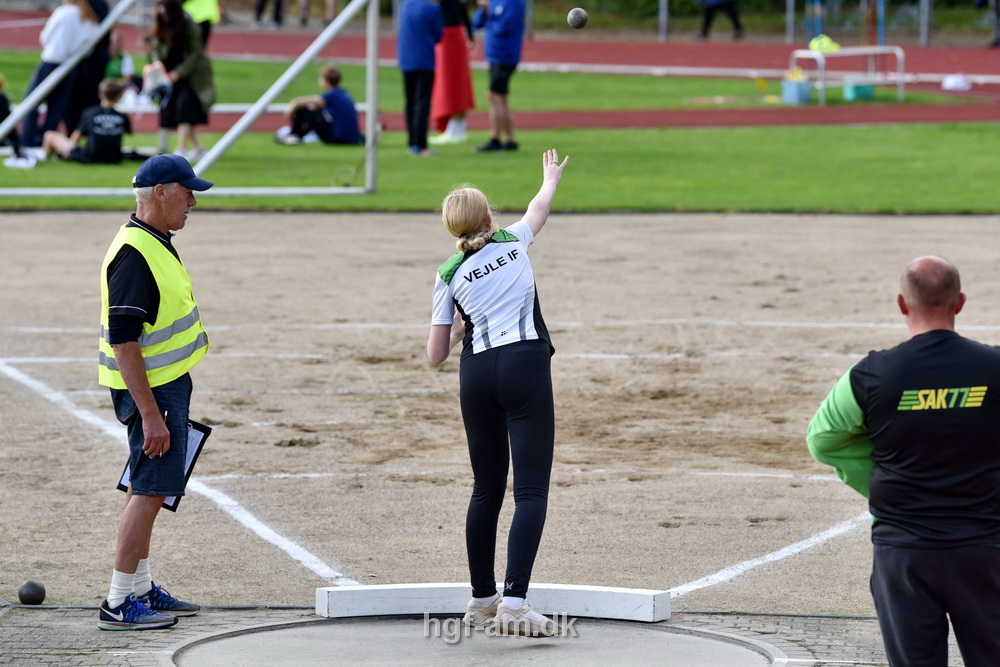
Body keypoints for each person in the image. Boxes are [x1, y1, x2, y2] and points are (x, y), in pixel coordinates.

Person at [807, 255, 1000, 666]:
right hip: (986, 548)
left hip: (904, 553)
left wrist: (876, 472)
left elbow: (821, 441)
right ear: (960, 302)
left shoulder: (871, 374)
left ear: (901, 304)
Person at [427, 148, 569, 637]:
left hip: (476, 375)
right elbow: (540, 208)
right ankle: (515, 601)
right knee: (530, 490)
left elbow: (435, 354)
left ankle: (481, 599)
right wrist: (550, 177)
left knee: (485, 490)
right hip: (525, 366)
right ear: (489, 218)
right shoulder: (513, 240)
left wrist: (471, 323)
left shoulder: (447, 273)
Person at [97, 154, 213, 631]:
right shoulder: (134, 255)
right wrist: (150, 415)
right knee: (149, 490)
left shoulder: (152, 240)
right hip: (153, 392)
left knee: (149, 487)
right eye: (186, 192)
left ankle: (140, 586)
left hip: (165, 386)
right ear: (161, 191)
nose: (192, 201)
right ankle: (119, 602)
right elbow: (123, 341)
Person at [20, 0, 99, 147]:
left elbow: (45, 37)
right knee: (57, 106)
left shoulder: (63, 12)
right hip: (71, 66)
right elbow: (89, 45)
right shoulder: (89, 16)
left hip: (52, 61)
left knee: (31, 102)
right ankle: (45, 141)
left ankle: (28, 140)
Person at [149, 0, 216, 162]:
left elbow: (196, 53)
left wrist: (178, 73)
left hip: (190, 75)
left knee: (185, 109)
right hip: (168, 74)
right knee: (181, 111)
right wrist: (158, 66)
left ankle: (181, 148)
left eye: (166, 14)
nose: (164, 18)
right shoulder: (161, 25)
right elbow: (157, 49)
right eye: (161, 14)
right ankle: (198, 148)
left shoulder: (189, 25)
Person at [471, 0, 523, 152]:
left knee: (494, 95)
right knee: (501, 97)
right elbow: (476, 23)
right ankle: (510, 139)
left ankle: (495, 138)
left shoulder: (514, 3)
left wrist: (490, 17)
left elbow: (504, 27)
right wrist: (484, 10)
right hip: (494, 56)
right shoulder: (492, 1)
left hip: (506, 56)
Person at [42, 79, 131, 163]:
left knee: (49, 135)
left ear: (101, 94)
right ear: (118, 96)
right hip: (114, 157)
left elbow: (75, 138)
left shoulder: (90, 113)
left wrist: (66, 152)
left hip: (89, 156)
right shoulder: (122, 116)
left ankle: (46, 158)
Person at [275, 65, 363, 145]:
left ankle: (294, 135)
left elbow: (298, 102)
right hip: (353, 138)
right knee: (313, 112)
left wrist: (290, 110)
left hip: (337, 139)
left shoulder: (331, 95)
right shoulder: (343, 93)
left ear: (326, 80)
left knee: (304, 110)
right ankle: (297, 136)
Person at [398, 0, 443, 156]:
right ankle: (420, 144)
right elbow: (439, 35)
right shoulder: (431, 8)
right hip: (424, 60)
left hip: (406, 59)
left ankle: (412, 142)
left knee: (410, 102)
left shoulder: (405, 4)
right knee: (422, 103)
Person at [429, 0, 475, 145]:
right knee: (457, 82)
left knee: (450, 84)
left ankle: (454, 128)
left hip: (448, 38)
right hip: (456, 36)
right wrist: (471, 36)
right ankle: (457, 126)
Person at [65, 0, 111, 137]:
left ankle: (80, 130)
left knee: (79, 97)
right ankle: (83, 130)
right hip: (89, 59)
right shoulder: (94, 6)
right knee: (80, 97)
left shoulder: (89, 6)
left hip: (87, 60)